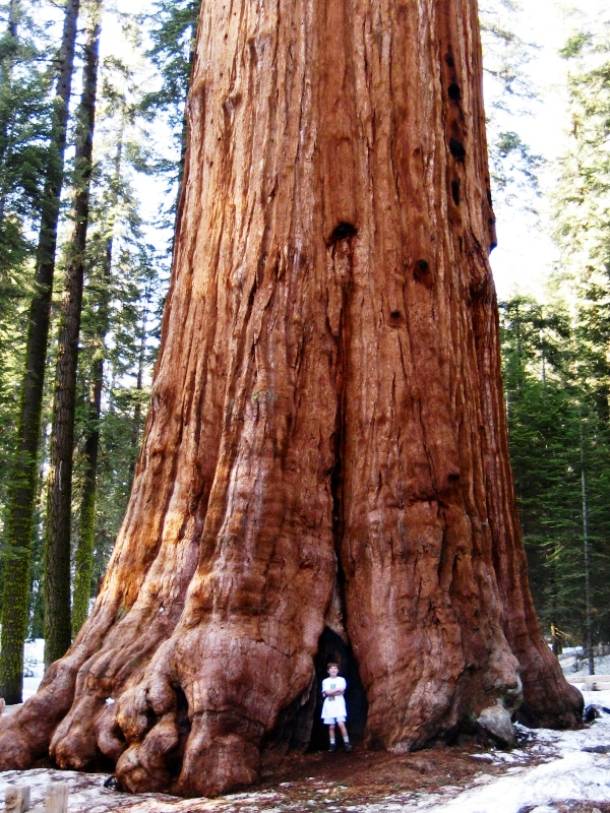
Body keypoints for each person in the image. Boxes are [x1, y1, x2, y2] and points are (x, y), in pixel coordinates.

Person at [321, 662, 352, 752]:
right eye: (331, 668)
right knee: (331, 726)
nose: (333, 670)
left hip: (339, 704)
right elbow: (326, 692)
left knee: (341, 724)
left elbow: (342, 691)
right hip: (329, 705)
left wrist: (329, 692)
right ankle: (332, 744)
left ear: (338, 670)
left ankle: (347, 743)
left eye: (335, 668)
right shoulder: (325, 681)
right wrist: (335, 690)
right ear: (328, 671)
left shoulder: (341, 679)